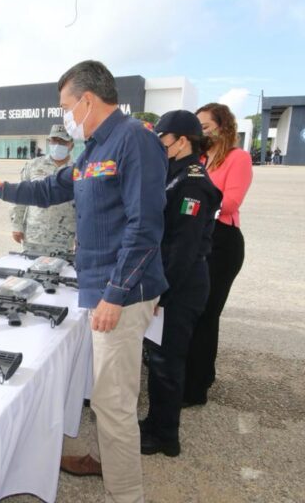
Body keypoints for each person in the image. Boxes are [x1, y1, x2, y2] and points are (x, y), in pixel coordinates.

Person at [0, 60, 167, 503]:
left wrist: (115, 294)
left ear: (87, 100)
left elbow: (145, 225)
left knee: (113, 403)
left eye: (65, 106)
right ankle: (109, 467)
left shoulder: (134, 139)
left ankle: (126, 495)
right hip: (101, 286)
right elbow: (52, 188)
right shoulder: (95, 148)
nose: (64, 116)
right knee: (108, 396)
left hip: (123, 290)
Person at [140, 111, 223, 457]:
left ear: (182, 141)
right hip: (170, 279)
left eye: (163, 139)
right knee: (157, 357)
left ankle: (166, 437)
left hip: (181, 284)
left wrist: (163, 290)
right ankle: (156, 420)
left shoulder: (192, 183)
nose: (159, 144)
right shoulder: (173, 172)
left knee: (167, 362)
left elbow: (183, 249)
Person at [183, 103, 253, 406]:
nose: (201, 132)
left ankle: (196, 389)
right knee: (190, 312)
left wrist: (193, 201)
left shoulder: (238, 158)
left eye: (206, 126)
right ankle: (196, 374)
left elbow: (230, 202)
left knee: (206, 314)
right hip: (196, 238)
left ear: (223, 127)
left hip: (222, 243)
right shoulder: (198, 158)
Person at [10, 124, 76, 255]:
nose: (58, 144)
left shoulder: (77, 169)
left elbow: (83, 205)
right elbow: (21, 196)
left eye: (63, 141)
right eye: (54, 140)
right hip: (34, 236)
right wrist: (16, 225)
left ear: (71, 145)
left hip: (64, 238)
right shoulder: (33, 165)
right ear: (49, 142)